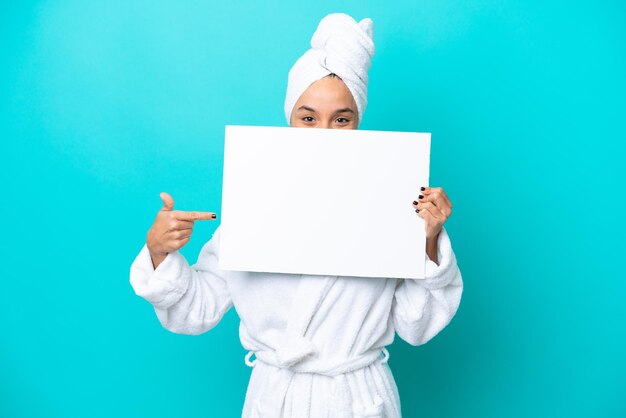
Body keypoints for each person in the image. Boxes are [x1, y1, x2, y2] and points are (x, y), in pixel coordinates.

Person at [130, 13, 463, 418]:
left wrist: (427, 240)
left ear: (358, 123)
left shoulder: (394, 203)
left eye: (341, 119)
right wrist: (159, 253)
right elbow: (193, 311)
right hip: (276, 398)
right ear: (289, 119)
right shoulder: (252, 207)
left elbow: (417, 326)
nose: (324, 133)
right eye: (308, 118)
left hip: (358, 397)